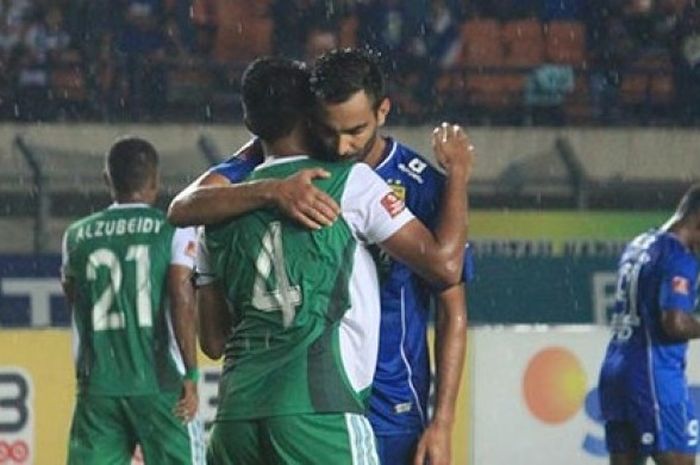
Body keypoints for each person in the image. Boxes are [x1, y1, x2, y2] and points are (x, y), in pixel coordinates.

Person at [168, 48, 470, 465]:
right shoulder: (347, 182)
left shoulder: (221, 210)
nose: (342, 145)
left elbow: (214, 340)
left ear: (383, 111)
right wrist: (461, 175)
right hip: (326, 401)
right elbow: (446, 265)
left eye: (355, 130)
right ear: (310, 116)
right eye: (330, 130)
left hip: (259, 407)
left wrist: (443, 421)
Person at [61, 136, 204, 465]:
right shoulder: (173, 228)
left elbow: (76, 298)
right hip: (160, 382)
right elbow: (181, 295)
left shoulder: (77, 235)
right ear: (155, 180)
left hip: (99, 386)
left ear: (108, 180)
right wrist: (192, 375)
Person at [598, 184, 700, 465]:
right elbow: (675, 324)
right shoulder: (679, 256)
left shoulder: (640, 243)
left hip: (616, 371)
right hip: (653, 376)